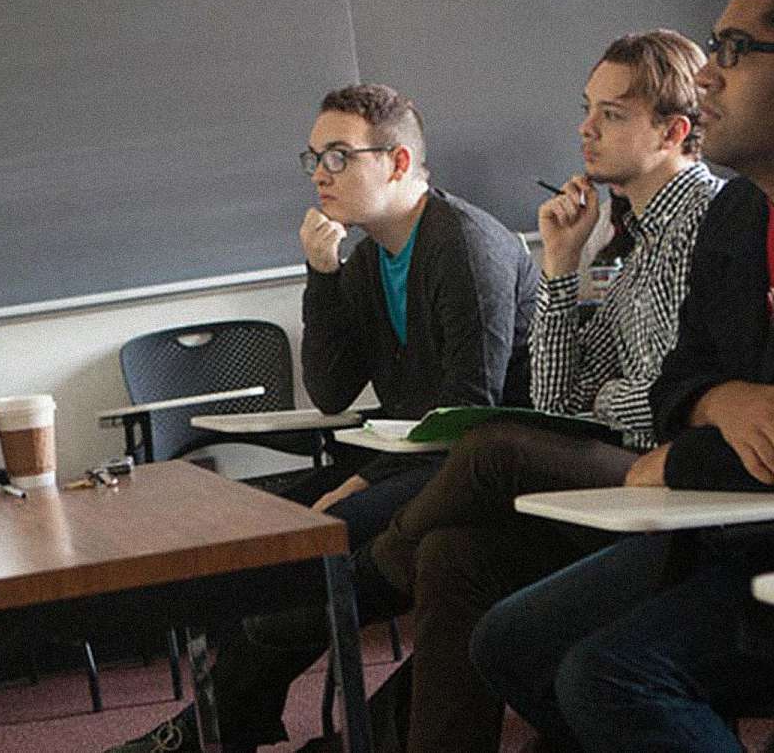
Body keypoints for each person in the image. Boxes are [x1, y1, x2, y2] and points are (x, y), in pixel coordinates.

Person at [108, 82, 537, 753]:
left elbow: (469, 413)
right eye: (313, 158)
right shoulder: (367, 260)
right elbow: (333, 390)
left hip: (482, 469)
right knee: (262, 532)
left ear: (397, 162)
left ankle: (218, 729)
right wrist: (322, 273)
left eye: (338, 156)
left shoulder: (464, 245)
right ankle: (221, 724)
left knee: (309, 552)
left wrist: (363, 482)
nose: (319, 175)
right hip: (411, 458)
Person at [357, 29, 721, 753]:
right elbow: (559, 401)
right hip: (621, 462)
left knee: (493, 448)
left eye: (611, 114)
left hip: (676, 473)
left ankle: (373, 571)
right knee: (452, 554)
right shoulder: (629, 236)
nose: (586, 129)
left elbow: (668, 398)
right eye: (587, 109)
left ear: (673, 132)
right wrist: (558, 264)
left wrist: (605, 400)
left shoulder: (704, 220)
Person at [472, 0, 774, 752]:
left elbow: (728, 424)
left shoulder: (698, 212)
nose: (710, 75)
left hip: (746, 519)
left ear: (671, 134)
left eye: (736, 51)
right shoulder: (737, 214)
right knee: (503, 634)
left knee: (606, 672)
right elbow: (669, 382)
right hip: (722, 520)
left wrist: (679, 448)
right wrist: (718, 399)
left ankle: (338, 568)